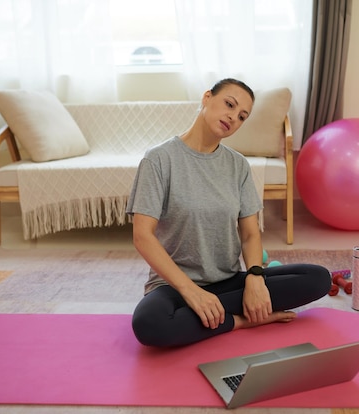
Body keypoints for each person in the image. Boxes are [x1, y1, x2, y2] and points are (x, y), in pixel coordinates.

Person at [127, 78, 331, 347]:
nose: (233, 117)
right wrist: (192, 292)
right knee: (149, 324)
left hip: (230, 281)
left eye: (241, 116)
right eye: (229, 104)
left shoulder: (238, 165)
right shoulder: (159, 160)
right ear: (207, 97)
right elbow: (143, 236)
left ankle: (209, 317)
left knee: (318, 279)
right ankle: (243, 320)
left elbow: (249, 234)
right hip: (175, 287)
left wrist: (255, 278)